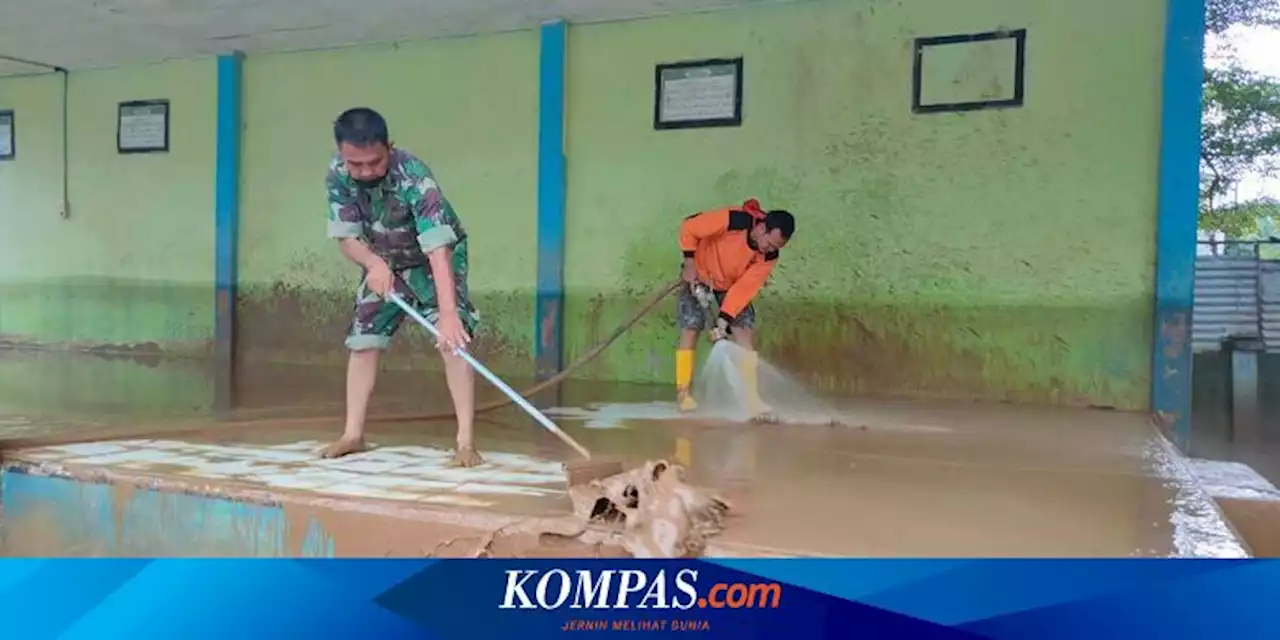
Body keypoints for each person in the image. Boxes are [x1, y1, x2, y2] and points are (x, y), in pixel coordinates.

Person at [321, 107, 483, 467]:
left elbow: (438, 249)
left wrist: (449, 314)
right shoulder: (338, 173)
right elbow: (346, 237)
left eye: (373, 162)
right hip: (381, 259)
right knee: (363, 339)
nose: (364, 172)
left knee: (453, 342)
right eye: (355, 164)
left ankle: (466, 443)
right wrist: (373, 263)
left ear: (389, 148)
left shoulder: (414, 176)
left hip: (433, 259)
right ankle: (353, 434)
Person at [674, 199, 795, 422]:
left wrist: (722, 321)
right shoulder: (733, 220)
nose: (770, 250)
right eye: (769, 243)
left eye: (776, 248)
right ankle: (684, 395)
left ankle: (751, 399)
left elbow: (743, 289)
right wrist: (690, 264)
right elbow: (689, 227)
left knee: (744, 332)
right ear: (760, 228)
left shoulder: (768, 256)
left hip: (730, 286)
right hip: (700, 276)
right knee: (691, 329)